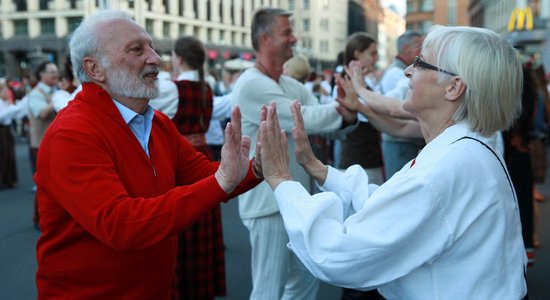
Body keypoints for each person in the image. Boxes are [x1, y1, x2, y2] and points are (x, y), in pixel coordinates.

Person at [258, 25, 527, 299]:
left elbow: (339, 254)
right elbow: (393, 207)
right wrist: (320, 170)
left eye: (421, 63)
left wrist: (282, 181)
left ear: (454, 87)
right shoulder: (464, 148)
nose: (408, 71)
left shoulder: (446, 166)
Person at [35, 10, 262, 299]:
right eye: (137, 50)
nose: (155, 58)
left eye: (152, 47)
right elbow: (120, 224)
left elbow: (207, 175)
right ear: (94, 69)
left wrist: (258, 168)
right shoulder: (72, 133)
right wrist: (223, 181)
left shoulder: (157, 124)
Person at [231, 7, 357, 300]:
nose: (294, 38)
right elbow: (306, 117)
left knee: (303, 283)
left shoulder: (289, 84)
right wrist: (347, 110)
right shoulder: (251, 84)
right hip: (268, 204)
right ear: (265, 39)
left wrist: (347, 114)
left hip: (293, 198)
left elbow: (322, 123)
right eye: (286, 32)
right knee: (269, 289)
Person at [169, 35, 227, 300]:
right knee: (203, 213)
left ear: (179, 59)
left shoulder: (171, 89)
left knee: (183, 216)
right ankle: (203, 287)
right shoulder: (205, 88)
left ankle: (185, 287)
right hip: (202, 152)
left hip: (180, 158)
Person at [338, 33, 385, 187]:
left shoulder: (360, 81)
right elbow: (372, 113)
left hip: (367, 160)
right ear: (357, 54)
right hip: (358, 164)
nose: (376, 58)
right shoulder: (345, 82)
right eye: (372, 53)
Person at [378, 31, 425, 179]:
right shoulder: (396, 73)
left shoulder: (397, 70)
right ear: (405, 48)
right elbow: (394, 107)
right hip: (400, 142)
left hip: (404, 138)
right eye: (419, 47)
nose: (422, 52)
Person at [27, 60, 58, 227]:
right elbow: (42, 113)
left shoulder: (55, 90)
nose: (55, 75)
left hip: (53, 143)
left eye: (56, 71)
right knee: (43, 183)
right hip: (40, 144)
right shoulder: (35, 94)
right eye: (51, 72)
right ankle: (38, 218)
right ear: (41, 75)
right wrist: (56, 100)